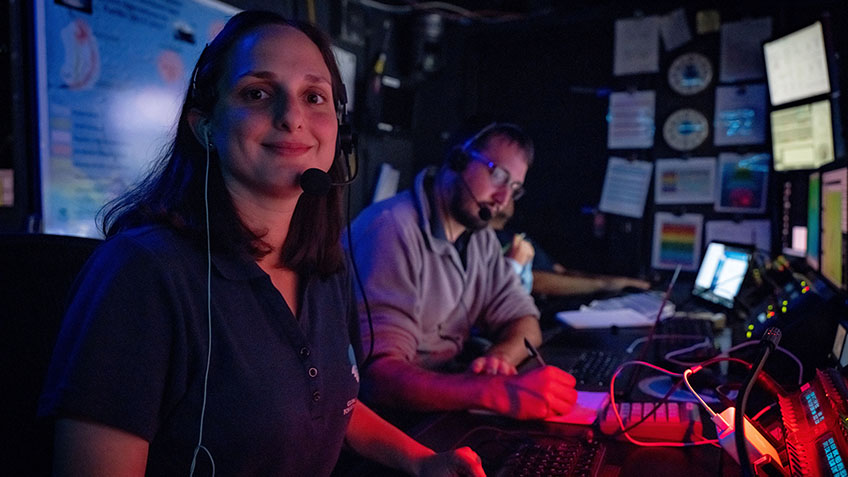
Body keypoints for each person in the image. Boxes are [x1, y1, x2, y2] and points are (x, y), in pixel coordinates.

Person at [37, 11, 484, 477]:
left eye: (314, 97)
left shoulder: (323, 269)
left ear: (339, 129)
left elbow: (335, 402)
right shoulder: (142, 274)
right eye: (257, 93)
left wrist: (421, 461)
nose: (292, 117)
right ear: (204, 125)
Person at [347, 123, 577, 420]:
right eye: (498, 176)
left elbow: (525, 322)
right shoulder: (392, 230)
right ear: (458, 160)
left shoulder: (480, 240)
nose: (503, 199)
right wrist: (493, 392)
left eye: (515, 189)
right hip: (389, 420)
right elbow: (377, 380)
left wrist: (499, 360)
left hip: (442, 403)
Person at [491, 198, 651, 297]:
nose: (506, 196)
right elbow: (537, 281)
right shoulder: (486, 240)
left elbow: (560, 271)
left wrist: (617, 282)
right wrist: (603, 286)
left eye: (513, 190)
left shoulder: (516, 234)